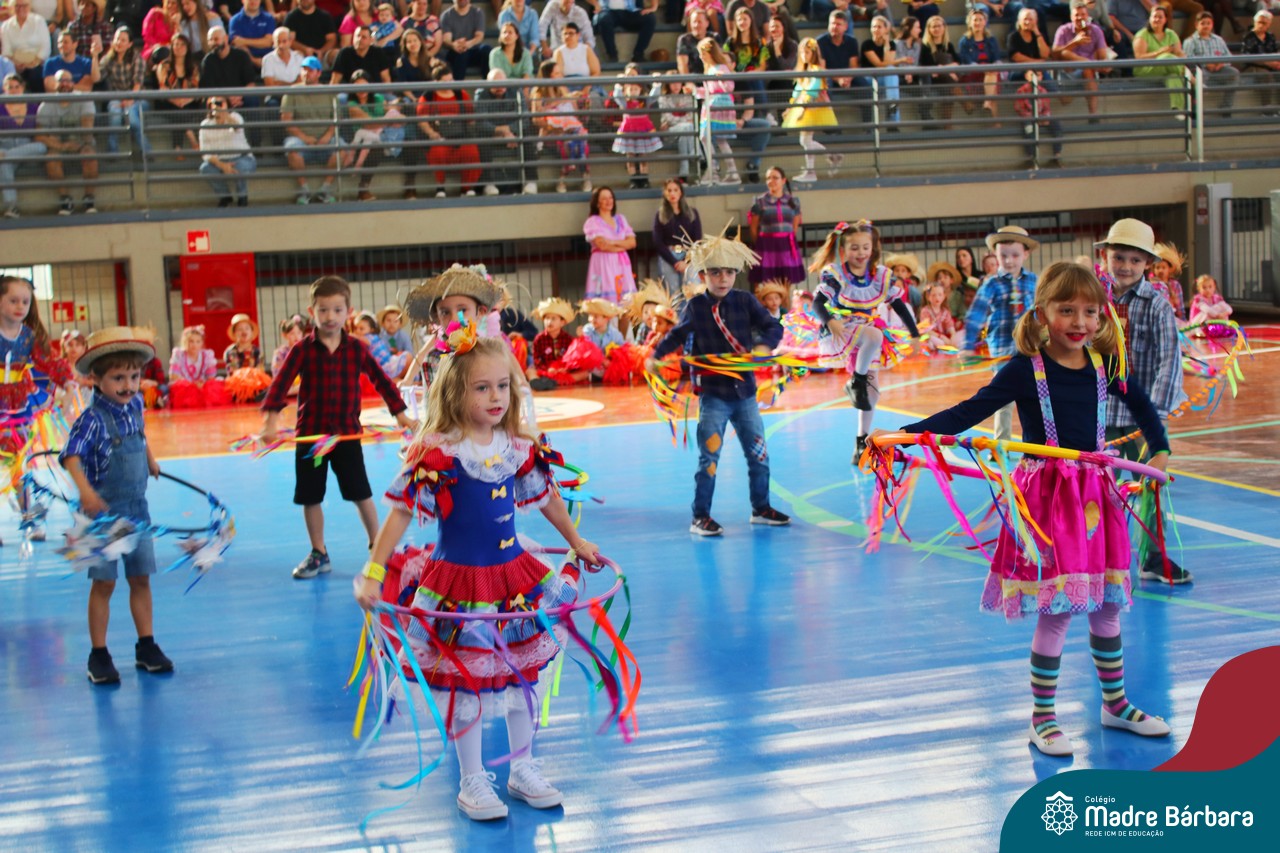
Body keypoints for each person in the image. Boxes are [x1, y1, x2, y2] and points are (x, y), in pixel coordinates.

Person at [892, 261, 1173, 757]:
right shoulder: (1026, 369)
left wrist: (1161, 450)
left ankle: (1115, 704)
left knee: (1107, 605)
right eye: (1067, 310)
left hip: (1096, 496)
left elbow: (1144, 407)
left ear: (1102, 317)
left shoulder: (1106, 366)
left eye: (1090, 312)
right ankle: (1042, 718)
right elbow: (969, 410)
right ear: (1042, 313)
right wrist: (908, 435)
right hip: (1049, 500)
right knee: (1059, 608)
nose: (1080, 322)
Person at [353, 334, 601, 821]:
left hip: (514, 579)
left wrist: (576, 541)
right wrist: (373, 571)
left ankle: (522, 768)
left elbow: (548, 498)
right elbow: (400, 512)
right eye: (481, 388)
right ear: (454, 393)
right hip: (459, 586)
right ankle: (472, 779)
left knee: (520, 673)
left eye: (502, 386)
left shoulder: (517, 446)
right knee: (466, 681)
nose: (495, 397)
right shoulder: (438, 452)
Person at [260, 275, 416, 580]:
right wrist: (271, 422)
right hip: (311, 438)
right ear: (312, 312)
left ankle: (378, 549)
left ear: (349, 312)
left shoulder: (357, 349)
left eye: (337, 310)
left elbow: (382, 381)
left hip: (346, 437)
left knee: (361, 493)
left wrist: (401, 415)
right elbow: (279, 385)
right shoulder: (302, 350)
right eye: (323, 310)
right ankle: (318, 552)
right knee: (310, 496)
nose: (330, 316)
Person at [647, 229, 791, 536]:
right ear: (703, 275)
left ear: (736, 273)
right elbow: (677, 334)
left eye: (728, 272)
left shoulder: (745, 301)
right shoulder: (696, 307)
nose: (722, 278)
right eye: (715, 272)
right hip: (714, 397)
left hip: (745, 395)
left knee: (759, 454)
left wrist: (763, 346)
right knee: (709, 459)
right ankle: (700, 516)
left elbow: (772, 326)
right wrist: (656, 356)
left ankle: (761, 508)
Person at [60, 327, 175, 686]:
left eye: (134, 377)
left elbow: (140, 432)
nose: (129, 386)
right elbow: (71, 456)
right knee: (104, 584)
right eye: (118, 378)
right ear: (96, 379)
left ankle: (146, 645)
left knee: (140, 578)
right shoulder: (92, 419)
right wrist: (86, 493)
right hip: (102, 516)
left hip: (137, 509)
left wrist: (150, 459)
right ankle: (99, 654)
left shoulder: (135, 405)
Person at [1096, 218, 1188, 584]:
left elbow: (1170, 360)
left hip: (1140, 418)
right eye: (1119, 257)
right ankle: (1095, 556)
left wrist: (1157, 415)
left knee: (1150, 487)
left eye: (1135, 260)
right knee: (1096, 489)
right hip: (1098, 415)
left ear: (1147, 263)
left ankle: (1152, 557)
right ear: (1105, 257)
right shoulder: (1093, 300)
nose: (1125, 266)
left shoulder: (1157, 305)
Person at [808, 220, 919, 458]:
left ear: (873, 248)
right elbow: (817, 303)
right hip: (842, 329)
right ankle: (856, 381)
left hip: (867, 335)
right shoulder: (837, 275)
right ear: (843, 250)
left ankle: (861, 441)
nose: (860, 253)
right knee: (874, 335)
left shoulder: (879, 276)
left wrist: (915, 334)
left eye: (865, 247)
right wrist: (830, 321)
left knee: (873, 392)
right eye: (854, 248)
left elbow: (899, 305)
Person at [961, 224, 1039, 441]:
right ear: (996, 255)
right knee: (1003, 400)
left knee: (1035, 397)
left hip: (1031, 351)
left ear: (1026, 254)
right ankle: (1001, 445)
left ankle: (1037, 443)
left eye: (1015, 255)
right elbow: (976, 315)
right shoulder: (991, 283)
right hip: (1002, 351)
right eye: (1003, 255)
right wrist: (967, 345)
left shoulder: (1034, 281)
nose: (1009, 261)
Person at [36, 70, 100, 216]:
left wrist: (78, 143)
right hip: (57, 144)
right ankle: (65, 199)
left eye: (68, 80)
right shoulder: (46, 104)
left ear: (73, 83)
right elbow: (39, 135)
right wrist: (61, 146)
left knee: (90, 156)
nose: (65, 84)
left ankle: (89, 198)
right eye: (61, 81)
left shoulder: (84, 99)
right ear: (55, 84)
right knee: (51, 160)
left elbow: (87, 127)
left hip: (82, 141)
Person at [416, 60, 482, 198]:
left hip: (460, 135)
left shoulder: (461, 94)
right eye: (444, 81)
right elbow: (422, 120)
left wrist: (472, 124)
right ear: (436, 82)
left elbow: (470, 116)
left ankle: (466, 188)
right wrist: (432, 134)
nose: (448, 84)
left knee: (471, 151)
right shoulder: (428, 96)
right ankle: (440, 187)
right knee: (438, 152)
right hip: (439, 136)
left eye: (450, 80)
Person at [281, 56, 341, 204]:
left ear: (319, 73)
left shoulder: (329, 91)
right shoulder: (292, 91)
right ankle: (304, 190)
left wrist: (328, 136)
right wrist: (305, 138)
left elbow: (336, 119)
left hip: (325, 139)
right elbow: (286, 120)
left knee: (343, 149)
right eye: (304, 70)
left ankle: (325, 189)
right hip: (300, 139)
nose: (306, 73)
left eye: (310, 70)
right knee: (292, 149)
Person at [530, 59, 590, 194]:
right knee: (568, 142)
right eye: (556, 73)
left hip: (569, 128)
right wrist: (556, 128)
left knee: (578, 138)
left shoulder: (563, 89)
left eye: (559, 73)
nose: (560, 76)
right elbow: (536, 119)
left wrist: (569, 97)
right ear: (548, 76)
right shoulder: (538, 93)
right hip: (551, 131)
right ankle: (580, 177)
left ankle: (568, 178)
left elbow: (575, 114)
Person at [783, 37, 839, 183]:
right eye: (802, 53)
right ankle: (830, 157)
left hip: (813, 106)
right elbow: (797, 90)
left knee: (805, 140)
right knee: (806, 140)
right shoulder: (803, 70)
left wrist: (803, 108)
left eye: (807, 52)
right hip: (804, 104)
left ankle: (812, 170)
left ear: (813, 54)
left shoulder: (815, 70)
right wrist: (791, 106)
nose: (804, 55)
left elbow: (813, 90)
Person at [747, 167, 805, 286]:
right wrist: (760, 243)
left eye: (775, 178)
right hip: (767, 246)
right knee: (767, 284)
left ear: (783, 180)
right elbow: (753, 228)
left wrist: (786, 239)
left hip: (786, 246)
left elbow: (794, 227)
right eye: (768, 178)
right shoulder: (759, 201)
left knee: (786, 282)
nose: (771, 181)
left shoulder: (793, 201)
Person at [0, 74, 47, 220]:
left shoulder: (33, 106)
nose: (14, 90)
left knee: (41, 147)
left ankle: (7, 156)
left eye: (17, 87)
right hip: (4, 145)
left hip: (28, 147)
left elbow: (41, 131)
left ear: (23, 88)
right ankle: (12, 206)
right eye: (10, 87)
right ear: (4, 89)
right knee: (4, 163)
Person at [696, 38, 740, 185]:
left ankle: (721, 171)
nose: (701, 57)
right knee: (707, 137)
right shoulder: (708, 70)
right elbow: (708, 91)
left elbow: (729, 87)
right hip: (710, 104)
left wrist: (722, 79)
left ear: (711, 53)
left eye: (703, 53)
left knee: (716, 138)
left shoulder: (721, 68)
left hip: (719, 104)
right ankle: (719, 170)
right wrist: (695, 90)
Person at [1053, 0, 1108, 120]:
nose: (1080, 18)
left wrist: (1103, 63)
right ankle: (1086, 64)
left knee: (1087, 69)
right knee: (1066, 53)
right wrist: (1074, 42)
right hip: (1068, 71)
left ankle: (1093, 116)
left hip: (1089, 72)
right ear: (1071, 17)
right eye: (1076, 15)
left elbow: (1103, 56)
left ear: (1087, 16)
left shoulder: (1095, 30)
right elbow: (1054, 54)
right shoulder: (1063, 30)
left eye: (1083, 14)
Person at [198, 95, 256, 207]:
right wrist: (222, 165)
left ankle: (242, 196)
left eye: (221, 103)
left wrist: (225, 115)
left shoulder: (236, 117)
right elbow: (205, 153)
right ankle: (225, 196)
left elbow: (237, 127)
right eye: (215, 103)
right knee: (205, 168)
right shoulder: (205, 124)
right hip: (219, 161)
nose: (217, 106)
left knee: (241, 167)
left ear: (227, 104)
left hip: (242, 157)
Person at [583, 186, 638, 304]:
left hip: (621, 264)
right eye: (604, 198)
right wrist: (623, 246)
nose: (609, 201)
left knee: (626, 303)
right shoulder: (593, 221)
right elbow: (602, 245)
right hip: (603, 263)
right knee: (605, 303)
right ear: (597, 203)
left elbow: (632, 243)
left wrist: (612, 242)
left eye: (610, 197)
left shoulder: (621, 219)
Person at [612, 63, 662, 188]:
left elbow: (654, 96)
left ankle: (644, 179)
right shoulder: (625, 102)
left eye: (636, 89)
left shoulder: (644, 101)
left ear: (640, 89)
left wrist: (656, 83)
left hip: (643, 129)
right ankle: (633, 179)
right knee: (630, 156)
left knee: (643, 155)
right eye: (631, 89)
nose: (633, 91)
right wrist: (618, 85)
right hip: (629, 130)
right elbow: (617, 97)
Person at [1183, 10, 1239, 117]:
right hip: (1201, 70)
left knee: (1233, 73)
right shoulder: (1190, 41)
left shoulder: (1219, 40)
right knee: (1199, 75)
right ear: (1196, 25)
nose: (1206, 26)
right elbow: (1188, 59)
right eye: (1203, 23)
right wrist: (1206, 64)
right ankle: (1195, 109)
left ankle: (1226, 108)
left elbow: (1228, 57)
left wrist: (1220, 64)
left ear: (1212, 25)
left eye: (1208, 23)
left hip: (1219, 70)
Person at [1133, 3, 1186, 114]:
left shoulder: (1171, 34)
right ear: (1150, 18)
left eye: (1160, 17)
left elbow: (1179, 54)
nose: (1157, 19)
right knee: (1166, 57)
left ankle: (1178, 109)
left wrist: (1179, 55)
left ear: (1165, 19)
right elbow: (1139, 57)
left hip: (1168, 69)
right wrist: (1160, 52)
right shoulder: (1142, 35)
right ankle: (1190, 77)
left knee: (1173, 76)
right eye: (1154, 16)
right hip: (1145, 69)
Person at [653, 178, 703, 292]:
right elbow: (658, 242)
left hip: (689, 255)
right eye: (669, 190)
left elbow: (697, 240)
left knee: (693, 290)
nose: (672, 193)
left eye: (675, 190)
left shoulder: (692, 213)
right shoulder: (660, 215)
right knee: (673, 293)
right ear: (665, 193)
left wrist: (686, 261)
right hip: (669, 255)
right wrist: (675, 262)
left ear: (680, 192)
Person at [530, 296, 589, 386]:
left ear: (562, 322)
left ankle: (552, 382)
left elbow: (573, 359)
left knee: (585, 373)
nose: (549, 322)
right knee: (530, 371)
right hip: (546, 371)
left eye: (553, 318)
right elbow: (537, 359)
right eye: (547, 318)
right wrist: (548, 369)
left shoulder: (568, 339)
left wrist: (565, 368)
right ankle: (544, 382)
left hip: (564, 372)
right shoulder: (539, 339)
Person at [167, 324, 229, 408]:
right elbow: (173, 376)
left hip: (202, 384)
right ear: (185, 342)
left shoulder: (207, 355)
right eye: (191, 341)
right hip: (185, 385)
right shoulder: (179, 354)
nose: (194, 345)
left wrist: (202, 383)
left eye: (198, 341)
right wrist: (191, 384)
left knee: (215, 385)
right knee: (181, 389)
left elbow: (211, 377)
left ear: (202, 343)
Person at [958, 7, 1003, 122]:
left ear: (985, 22)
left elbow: (997, 59)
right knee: (991, 77)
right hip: (972, 73)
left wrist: (990, 68)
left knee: (992, 75)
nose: (977, 23)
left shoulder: (991, 40)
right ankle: (996, 122)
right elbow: (967, 61)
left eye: (980, 20)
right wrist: (984, 68)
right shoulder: (964, 41)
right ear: (970, 23)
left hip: (990, 72)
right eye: (975, 20)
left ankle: (988, 103)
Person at [653, 72, 697, 181]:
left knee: (684, 135)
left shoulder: (687, 97)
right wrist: (683, 121)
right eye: (672, 83)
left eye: (678, 82)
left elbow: (691, 116)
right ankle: (695, 153)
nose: (676, 85)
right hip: (669, 132)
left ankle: (683, 175)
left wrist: (678, 121)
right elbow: (668, 118)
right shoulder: (663, 98)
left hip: (684, 132)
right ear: (668, 84)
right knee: (688, 127)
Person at [919, 13, 962, 126]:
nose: (936, 29)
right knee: (949, 82)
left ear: (944, 28)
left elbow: (958, 62)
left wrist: (944, 69)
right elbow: (930, 67)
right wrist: (948, 70)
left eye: (939, 26)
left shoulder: (948, 45)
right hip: (933, 79)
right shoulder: (925, 46)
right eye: (934, 26)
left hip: (948, 78)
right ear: (929, 29)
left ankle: (948, 124)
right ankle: (965, 103)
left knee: (948, 90)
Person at [2, 0, 53, 93]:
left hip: (37, 63)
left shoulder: (39, 21)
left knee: (35, 74)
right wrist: (16, 65)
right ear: (12, 8)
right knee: (10, 77)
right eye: (17, 6)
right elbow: (6, 52)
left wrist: (33, 63)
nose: (21, 9)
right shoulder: (6, 26)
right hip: (15, 65)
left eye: (24, 6)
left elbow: (45, 48)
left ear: (29, 7)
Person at [861, 15, 903, 126]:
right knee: (891, 72)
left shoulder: (891, 44)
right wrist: (901, 60)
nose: (876, 29)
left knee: (891, 71)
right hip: (869, 79)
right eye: (873, 27)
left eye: (879, 27)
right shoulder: (867, 44)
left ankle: (892, 115)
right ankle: (892, 108)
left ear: (886, 29)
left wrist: (886, 45)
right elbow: (879, 65)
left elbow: (888, 63)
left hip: (884, 79)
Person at [223, 312, 272, 402]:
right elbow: (233, 372)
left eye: (247, 328)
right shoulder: (230, 351)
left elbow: (260, 371)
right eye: (240, 329)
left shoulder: (257, 351)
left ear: (251, 332)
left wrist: (253, 379)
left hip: (255, 383)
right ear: (234, 333)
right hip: (238, 384)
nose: (244, 332)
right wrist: (246, 378)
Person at [593, 0, 659, 64]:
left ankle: (638, 54)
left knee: (650, 19)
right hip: (607, 11)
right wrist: (596, 4)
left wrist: (654, 7)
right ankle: (612, 55)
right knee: (604, 19)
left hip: (631, 11)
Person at [1242, 9, 1280, 114]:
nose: (1261, 25)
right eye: (1259, 22)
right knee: (1266, 76)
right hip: (1253, 66)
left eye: (1264, 23)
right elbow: (1248, 57)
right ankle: (1267, 109)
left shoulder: (1270, 36)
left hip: (1271, 65)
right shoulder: (1249, 36)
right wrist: (1267, 63)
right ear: (1255, 22)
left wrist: (1277, 63)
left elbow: (1274, 52)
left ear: (1269, 25)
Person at [440, 0, 490, 80]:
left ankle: (489, 83)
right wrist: (454, 45)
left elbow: (479, 36)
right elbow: (447, 39)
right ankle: (457, 86)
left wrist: (467, 44)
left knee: (486, 49)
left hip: (473, 50)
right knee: (462, 54)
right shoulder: (446, 15)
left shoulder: (478, 13)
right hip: (455, 52)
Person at [43, 27, 102, 93]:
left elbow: (86, 87)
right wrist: (75, 86)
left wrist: (62, 85)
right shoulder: (50, 63)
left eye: (65, 42)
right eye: (59, 42)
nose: (61, 45)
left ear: (75, 44)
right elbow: (50, 87)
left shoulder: (86, 63)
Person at [283, 0, 339, 66]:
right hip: (300, 57)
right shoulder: (291, 17)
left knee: (335, 54)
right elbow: (290, 40)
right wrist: (305, 50)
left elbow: (332, 39)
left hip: (322, 56)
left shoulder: (325, 16)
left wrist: (321, 51)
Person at [228, 0, 277, 67]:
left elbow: (268, 42)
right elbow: (237, 44)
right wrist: (253, 60)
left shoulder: (269, 18)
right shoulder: (235, 20)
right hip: (245, 62)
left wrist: (243, 41)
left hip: (269, 60)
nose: (254, 1)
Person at [918, 281, 963, 350]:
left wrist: (953, 336)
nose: (937, 298)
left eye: (940, 295)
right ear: (928, 297)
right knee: (932, 340)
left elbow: (950, 326)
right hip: (933, 336)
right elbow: (926, 330)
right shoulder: (925, 311)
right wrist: (940, 336)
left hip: (944, 337)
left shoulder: (945, 311)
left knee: (961, 336)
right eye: (933, 295)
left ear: (944, 296)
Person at [1150, 242, 1187, 319]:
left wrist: (1183, 320)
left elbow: (1180, 309)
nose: (1160, 270)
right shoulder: (1150, 285)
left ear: (1169, 269)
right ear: (1153, 269)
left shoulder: (1175, 285)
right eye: (1157, 267)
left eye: (1163, 267)